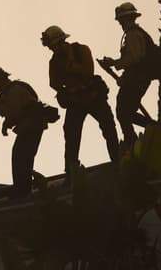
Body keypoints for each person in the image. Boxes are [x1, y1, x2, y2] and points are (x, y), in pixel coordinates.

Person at [42, 24, 120, 180]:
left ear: (60, 42)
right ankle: (71, 172)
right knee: (71, 135)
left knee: (108, 128)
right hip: (75, 101)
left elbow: (88, 72)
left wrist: (71, 66)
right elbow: (54, 83)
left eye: (52, 46)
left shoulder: (81, 50)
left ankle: (118, 161)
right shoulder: (54, 62)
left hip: (93, 96)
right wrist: (67, 90)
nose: (52, 50)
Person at [0, 66, 55, 198]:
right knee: (22, 156)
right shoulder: (10, 91)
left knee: (21, 156)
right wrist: (6, 123)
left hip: (31, 127)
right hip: (30, 126)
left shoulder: (14, 90)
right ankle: (23, 186)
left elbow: (15, 112)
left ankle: (22, 189)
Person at [99, 1, 161, 146]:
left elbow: (134, 58)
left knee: (123, 113)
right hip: (136, 79)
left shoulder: (133, 34)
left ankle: (136, 141)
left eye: (121, 20)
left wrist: (114, 63)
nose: (120, 23)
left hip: (138, 79)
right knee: (126, 113)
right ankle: (150, 130)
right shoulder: (135, 34)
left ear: (126, 19)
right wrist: (122, 76)